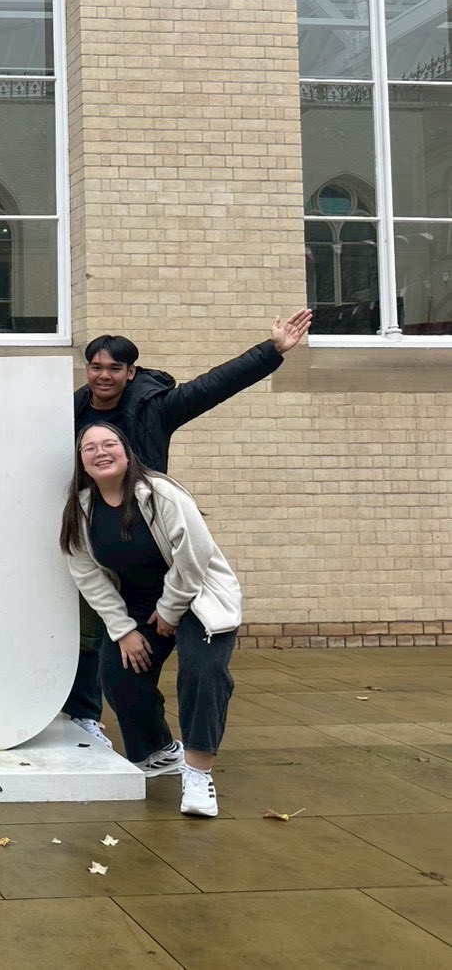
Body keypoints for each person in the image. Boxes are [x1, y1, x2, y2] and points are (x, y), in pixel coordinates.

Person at [63, 311, 310, 747]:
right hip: (103, 538)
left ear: (130, 372)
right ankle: (87, 714)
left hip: (155, 542)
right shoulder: (68, 411)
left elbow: (214, 385)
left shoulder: (154, 408)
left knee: (185, 658)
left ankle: (184, 746)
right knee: (94, 631)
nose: (104, 376)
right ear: (87, 370)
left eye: (115, 368)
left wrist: (271, 351)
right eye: (96, 367)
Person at [61, 425, 241, 817]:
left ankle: (198, 772)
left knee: (203, 672)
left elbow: (195, 555)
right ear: (82, 463)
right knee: (118, 671)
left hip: (198, 597)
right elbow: (87, 574)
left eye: (109, 444)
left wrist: (170, 610)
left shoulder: (160, 492)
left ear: (126, 452)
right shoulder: (81, 509)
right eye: (89, 448)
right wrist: (123, 629)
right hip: (140, 604)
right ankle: (160, 751)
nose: (100, 451)